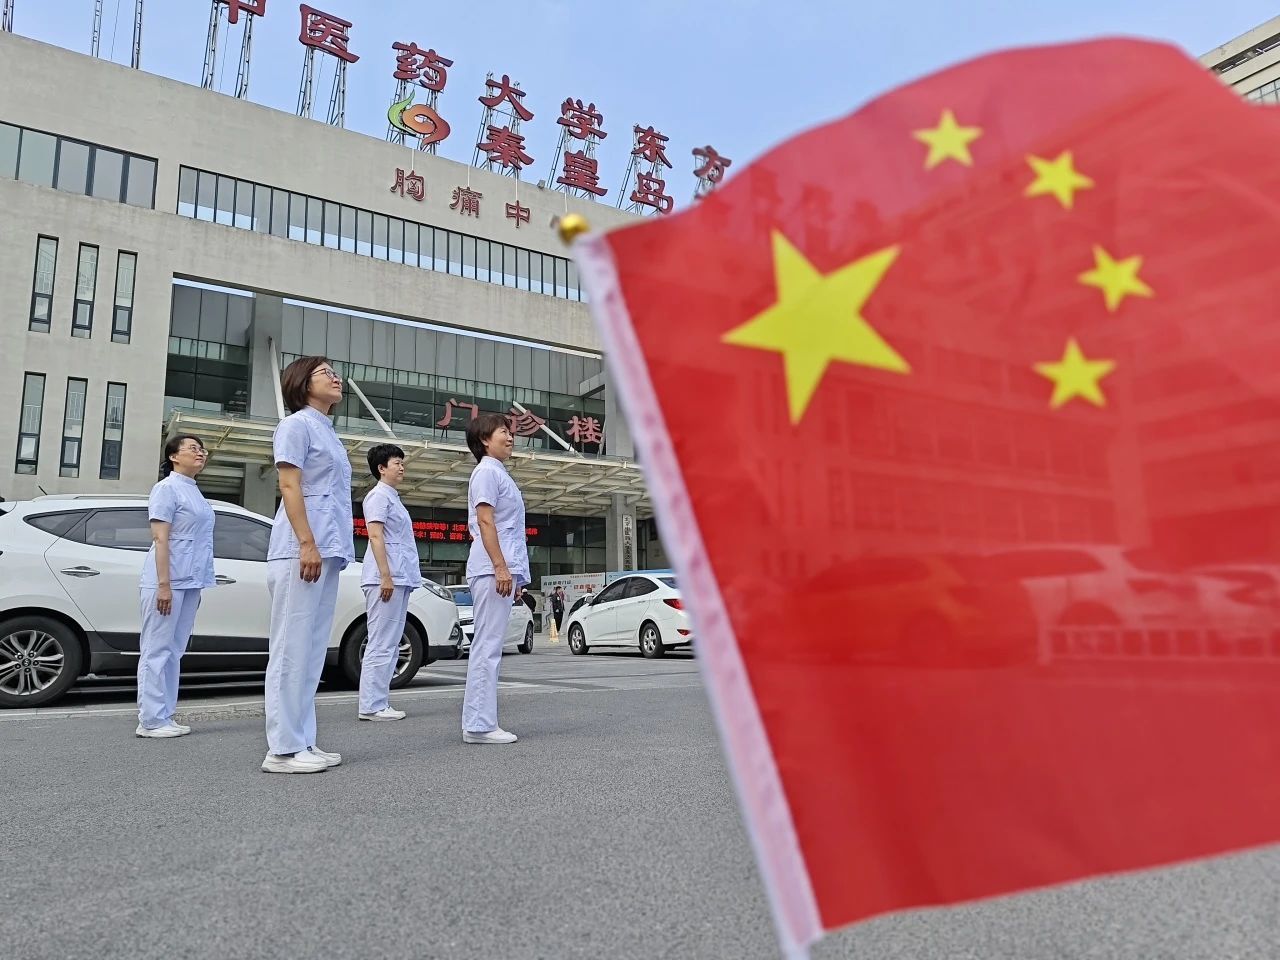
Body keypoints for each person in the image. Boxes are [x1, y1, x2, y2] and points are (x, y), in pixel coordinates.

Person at [261, 356, 354, 774]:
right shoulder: (295, 425)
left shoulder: (328, 432)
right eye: (324, 372)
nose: (335, 377)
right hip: (302, 549)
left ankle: (303, 741)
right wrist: (307, 543)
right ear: (301, 383)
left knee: (312, 649)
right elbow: (288, 484)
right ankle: (281, 749)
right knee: (290, 648)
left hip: (326, 550)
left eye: (335, 372)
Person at [135, 435, 214, 739]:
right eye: (192, 448)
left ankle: (165, 714)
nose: (200, 453)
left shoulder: (194, 492)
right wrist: (164, 585)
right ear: (173, 457)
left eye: (202, 450)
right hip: (166, 581)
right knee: (156, 649)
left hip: (191, 581)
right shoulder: (166, 489)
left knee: (174, 650)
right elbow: (160, 539)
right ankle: (150, 719)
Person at [462, 413, 529, 745]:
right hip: (491, 568)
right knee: (487, 647)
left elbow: (509, 530)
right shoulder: (487, 472)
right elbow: (485, 523)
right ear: (485, 439)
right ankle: (479, 724)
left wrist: (515, 574)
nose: (510, 436)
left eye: (510, 431)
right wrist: (502, 568)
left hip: (498, 568)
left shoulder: (497, 473)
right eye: (503, 431)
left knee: (489, 646)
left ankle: (480, 720)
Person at [358, 443, 417, 722]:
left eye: (402, 462)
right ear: (381, 468)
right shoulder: (377, 497)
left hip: (398, 576)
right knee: (381, 641)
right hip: (386, 578)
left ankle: (378, 701)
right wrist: (385, 575)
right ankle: (371, 704)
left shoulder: (393, 497)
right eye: (396, 463)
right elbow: (376, 536)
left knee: (390, 641)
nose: (402, 467)